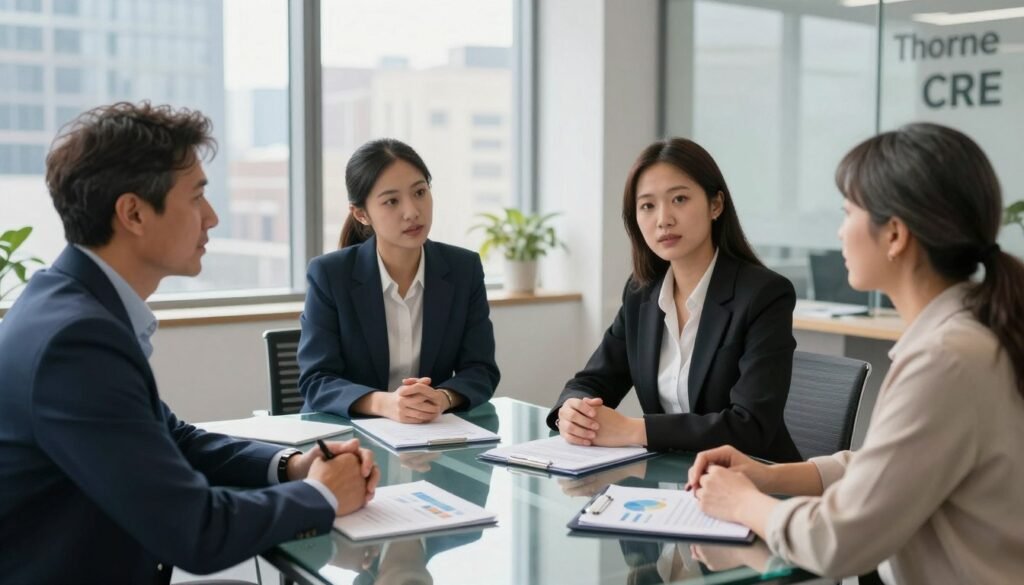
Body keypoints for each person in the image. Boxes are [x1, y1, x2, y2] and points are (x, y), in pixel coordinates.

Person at [0, 102, 380, 584]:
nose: (213, 217)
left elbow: (171, 438)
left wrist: (291, 466)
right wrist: (323, 494)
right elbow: (196, 531)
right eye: (197, 196)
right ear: (133, 212)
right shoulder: (74, 342)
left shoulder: (68, 303)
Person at [687, 123, 1024, 584]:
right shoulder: (965, 336)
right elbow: (888, 468)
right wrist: (769, 477)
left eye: (848, 212)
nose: (840, 232)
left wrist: (742, 502)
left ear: (895, 236)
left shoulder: (947, 359)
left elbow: (836, 543)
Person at [548, 138, 801, 461]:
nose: (663, 219)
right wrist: (571, 411)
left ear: (716, 205)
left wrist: (634, 430)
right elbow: (594, 380)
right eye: (647, 206)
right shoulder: (641, 294)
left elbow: (750, 427)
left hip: (756, 481)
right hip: (674, 480)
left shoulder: (763, 295)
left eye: (679, 199)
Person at [298, 138, 500, 422]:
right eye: (392, 201)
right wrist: (384, 404)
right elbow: (316, 380)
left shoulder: (463, 269)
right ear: (361, 214)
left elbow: (481, 369)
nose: (412, 211)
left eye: (420, 192)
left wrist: (442, 398)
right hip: (348, 437)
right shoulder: (330, 275)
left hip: (431, 435)